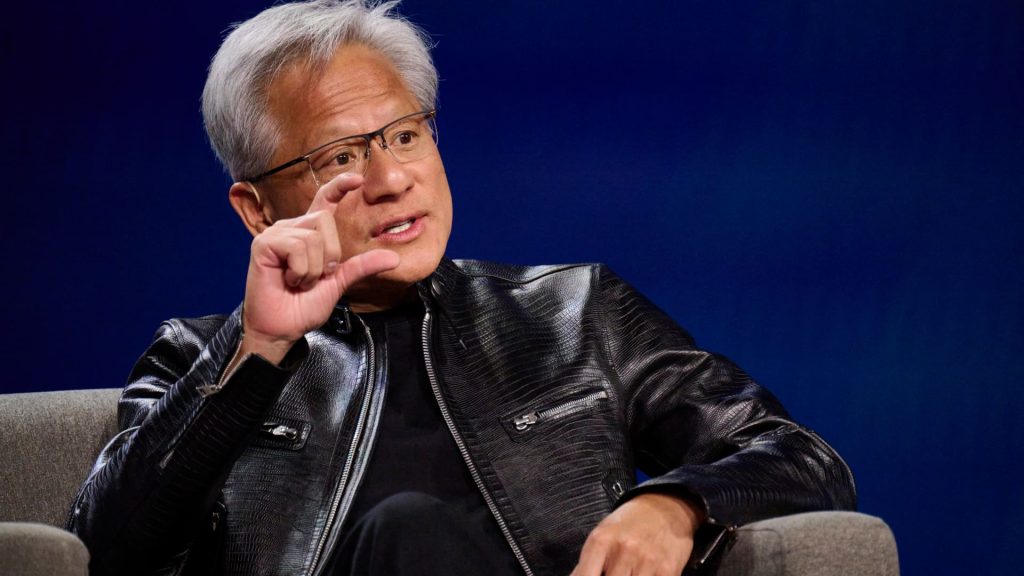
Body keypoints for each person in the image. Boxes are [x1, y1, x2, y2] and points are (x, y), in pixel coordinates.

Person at [68, 1, 856, 575]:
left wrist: (675, 503)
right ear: (257, 209)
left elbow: (803, 458)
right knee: (408, 530)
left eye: (406, 135)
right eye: (340, 157)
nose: (391, 179)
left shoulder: (574, 314)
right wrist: (260, 347)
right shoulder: (200, 359)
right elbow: (104, 555)